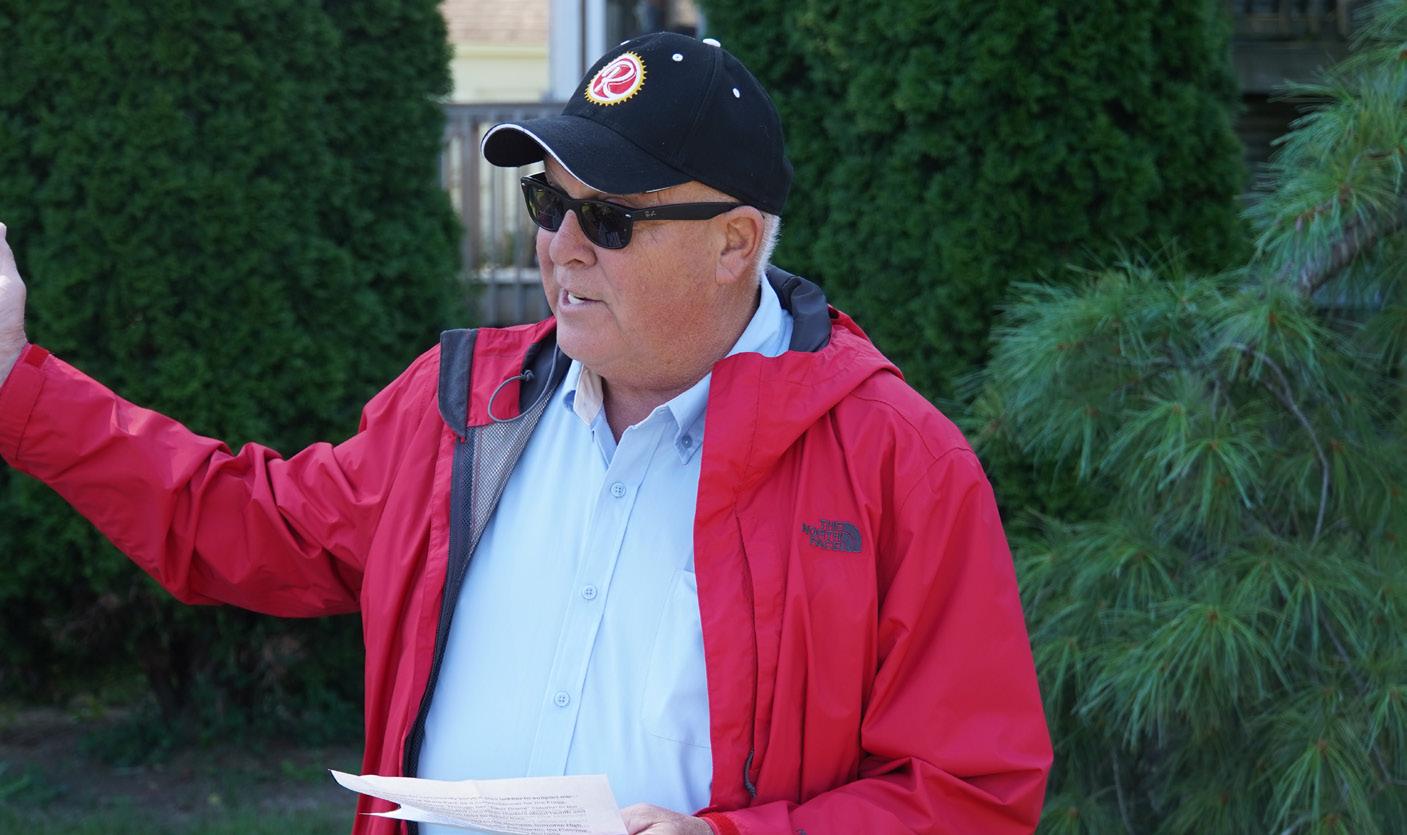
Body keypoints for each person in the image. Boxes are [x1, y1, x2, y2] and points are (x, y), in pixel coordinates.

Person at [0, 32, 1051, 835]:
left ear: (735, 242)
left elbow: (971, 792)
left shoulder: (897, 465)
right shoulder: (460, 406)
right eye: (551, 201)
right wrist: (15, 384)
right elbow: (242, 521)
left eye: (611, 219)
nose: (561, 247)